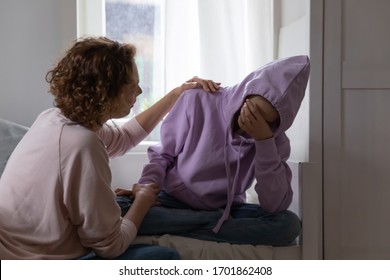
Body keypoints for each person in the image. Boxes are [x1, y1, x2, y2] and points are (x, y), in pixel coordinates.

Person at [0, 36, 220, 260]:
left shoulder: (54, 118)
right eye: (133, 86)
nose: (140, 92)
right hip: (34, 260)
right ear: (107, 92)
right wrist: (143, 199)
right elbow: (111, 246)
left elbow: (124, 137)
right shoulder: (82, 144)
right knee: (165, 257)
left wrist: (176, 94)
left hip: (14, 249)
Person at [116, 55, 310, 246]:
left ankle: (192, 225)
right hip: (172, 200)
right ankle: (209, 224)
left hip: (226, 208)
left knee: (288, 224)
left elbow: (274, 205)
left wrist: (264, 142)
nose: (252, 122)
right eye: (252, 111)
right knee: (117, 208)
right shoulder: (197, 99)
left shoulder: (273, 140)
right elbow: (162, 154)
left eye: (266, 121)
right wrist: (146, 187)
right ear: (245, 94)